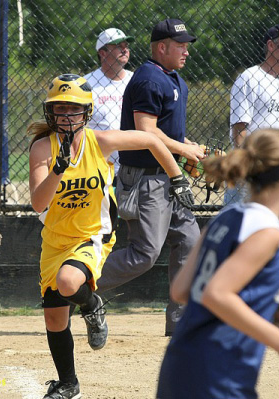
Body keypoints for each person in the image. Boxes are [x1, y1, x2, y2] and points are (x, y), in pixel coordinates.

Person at [28, 73, 189, 399]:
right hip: (55, 241)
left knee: (70, 283)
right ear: (49, 112)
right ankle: (68, 384)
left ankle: (93, 305)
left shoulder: (98, 141)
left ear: (86, 112)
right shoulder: (42, 149)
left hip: (93, 234)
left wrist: (177, 177)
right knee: (55, 320)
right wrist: (57, 170)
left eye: (73, 109)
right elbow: (38, 203)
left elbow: (152, 140)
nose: (65, 116)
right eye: (58, 109)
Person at [157, 128, 279, 399]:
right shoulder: (267, 231)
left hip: (180, 364)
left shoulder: (227, 216)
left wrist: (270, 292)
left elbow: (182, 290)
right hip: (219, 374)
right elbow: (217, 293)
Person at [96, 18, 205, 336]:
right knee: (144, 254)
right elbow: (146, 132)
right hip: (146, 179)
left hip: (167, 176)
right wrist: (181, 157)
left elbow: (167, 133)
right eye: (180, 45)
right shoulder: (148, 80)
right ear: (161, 47)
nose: (186, 51)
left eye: (186, 45)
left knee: (189, 242)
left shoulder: (174, 79)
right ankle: (78, 283)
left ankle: (180, 321)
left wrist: (189, 148)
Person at [226, 24, 279, 218]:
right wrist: (247, 168)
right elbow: (239, 129)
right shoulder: (249, 78)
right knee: (241, 227)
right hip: (255, 171)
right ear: (271, 45)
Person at [84, 28, 134, 176]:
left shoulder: (136, 80)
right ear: (102, 53)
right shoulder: (86, 84)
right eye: (118, 46)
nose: (124, 50)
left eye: (126, 46)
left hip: (133, 166)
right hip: (98, 167)